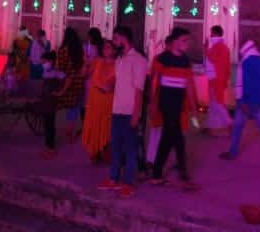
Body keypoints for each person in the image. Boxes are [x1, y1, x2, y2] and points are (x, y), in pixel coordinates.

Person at [149, 29, 199, 190]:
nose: (187, 44)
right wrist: (152, 103)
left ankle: (164, 172)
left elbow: (189, 85)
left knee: (175, 137)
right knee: (172, 135)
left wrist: (193, 107)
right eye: (184, 40)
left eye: (187, 41)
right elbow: (154, 82)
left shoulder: (186, 61)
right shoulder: (161, 59)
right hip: (166, 102)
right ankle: (172, 173)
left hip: (179, 104)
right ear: (175, 42)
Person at [102, 26, 147, 196]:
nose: (114, 43)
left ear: (123, 38)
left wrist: (136, 114)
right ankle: (113, 178)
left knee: (130, 149)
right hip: (117, 110)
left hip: (130, 112)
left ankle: (129, 182)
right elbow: (119, 80)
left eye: (115, 39)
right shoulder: (119, 60)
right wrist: (110, 85)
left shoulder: (139, 60)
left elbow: (139, 90)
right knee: (116, 146)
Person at [220, 39, 260, 165]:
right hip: (259, 101)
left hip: (246, 102)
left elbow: (244, 84)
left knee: (237, 127)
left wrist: (241, 101)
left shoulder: (246, 63)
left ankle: (233, 152)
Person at [82, 39, 116, 162]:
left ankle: (106, 150)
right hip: (95, 99)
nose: (106, 50)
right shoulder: (97, 62)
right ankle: (95, 151)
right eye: (105, 47)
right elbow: (84, 75)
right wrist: (86, 64)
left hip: (108, 100)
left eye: (109, 47)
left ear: (114, 50)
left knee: (107, 126)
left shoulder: (118, 64)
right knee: (95, 124)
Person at [56, 28, 86, 141]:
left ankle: (69, 130)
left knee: (70, 107)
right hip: (79, 82)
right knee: (75, 107)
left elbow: (60, 67)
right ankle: (70, 129)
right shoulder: (80, 49)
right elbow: (83, 64)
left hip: (68, 80)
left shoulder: (62, 50)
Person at [203, 26, 231, 137]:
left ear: (215, 33)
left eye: (211, 33)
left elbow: (211, 58)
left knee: (217, 103)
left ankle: (229, 123)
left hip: (216, 79)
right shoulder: (223, 47)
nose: (210, 35)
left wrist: (205, 48)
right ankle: (211, 127)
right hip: (219, 79)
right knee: (214, 103)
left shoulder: (218, 46)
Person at [38, 50, 65, 159]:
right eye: (42, 62)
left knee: (50, 124)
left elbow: (68, 79)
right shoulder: (44, 73)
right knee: (46, 124)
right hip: (45, 100)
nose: (43, 64)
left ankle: (51, 147)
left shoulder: (57, 73)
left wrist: (61, 92)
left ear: (51, 61)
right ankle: (47, 146)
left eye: (44, 62)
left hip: (52, 102)